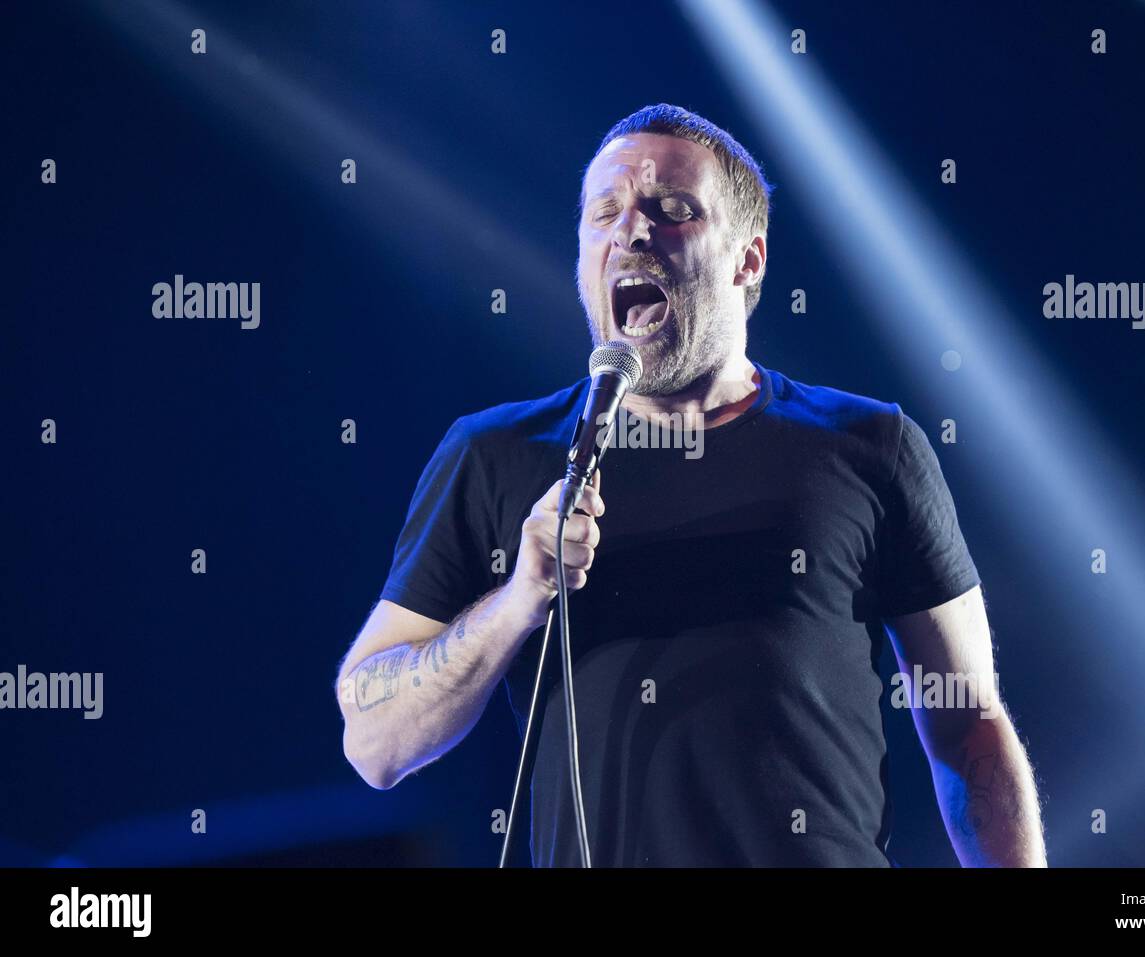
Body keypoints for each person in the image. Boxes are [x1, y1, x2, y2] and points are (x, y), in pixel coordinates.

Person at [336, 104, 1047, 867]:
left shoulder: (869, 448)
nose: (630, 231)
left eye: (671, 210)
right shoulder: (497, 454)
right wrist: (517, 601)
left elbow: (971, 731)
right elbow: (374, 744)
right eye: (604, 211)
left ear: (748, 261)